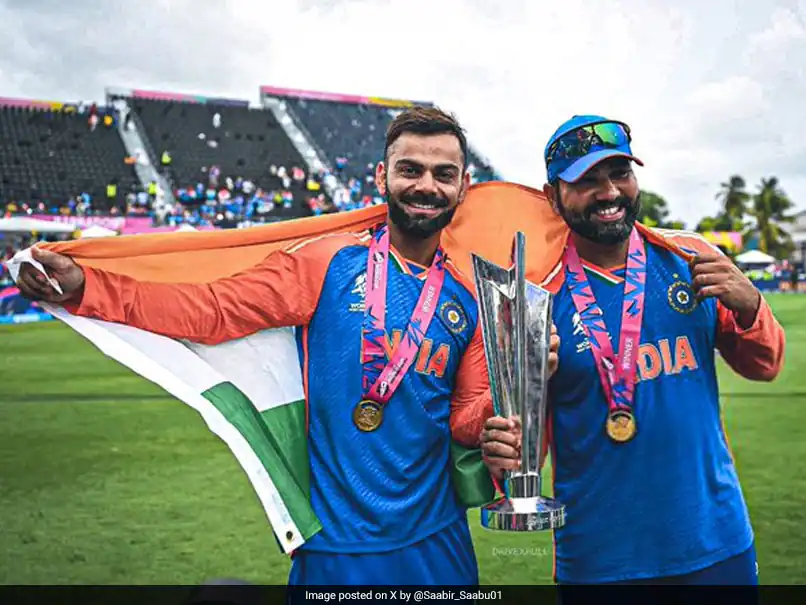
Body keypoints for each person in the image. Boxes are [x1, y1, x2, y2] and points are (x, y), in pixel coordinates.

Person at [17, 107, 562, 586]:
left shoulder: (469, 299)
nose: (426, 185)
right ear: (381, 177)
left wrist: (509, 399)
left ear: (463, 186)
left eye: (443, 174)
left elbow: (463, 419)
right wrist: (91, 286)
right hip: (336, 547)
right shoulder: (328, 262)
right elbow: (214, 310)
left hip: (438, 547)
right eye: (410, 169)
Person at [479, 115, 785, 590]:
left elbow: (765, 364)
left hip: (715, 540)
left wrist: (750, 306)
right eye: (587, 181)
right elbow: (524, 460)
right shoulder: (536, 297)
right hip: (601, 559)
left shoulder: (689, 259)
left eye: (619, 173)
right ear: (553, 193)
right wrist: (511, 433)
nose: (609, 193)